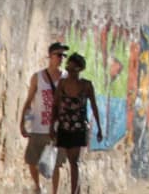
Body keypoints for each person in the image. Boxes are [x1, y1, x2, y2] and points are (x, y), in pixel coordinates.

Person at [20, 42, 68, 192]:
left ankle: (54, 191)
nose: (61, 58)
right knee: (31, 160)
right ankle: (37, 186)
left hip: (57, 129)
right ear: (50, 56)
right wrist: (22, 122)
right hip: (38, 126)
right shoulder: (38, 77)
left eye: (63, 56)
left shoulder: (66, 78)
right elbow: (28, 101)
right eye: (59, 55)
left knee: (55, 164)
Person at [50, 53, 101, 194]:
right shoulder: (62, 84)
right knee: (69, 161)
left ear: (80, 69)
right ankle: (76, 191)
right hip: (64, 127)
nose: (71, 72)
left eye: (73, 69)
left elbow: (94, 107)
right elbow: (55, 105)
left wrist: (99, 128)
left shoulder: (86, 85)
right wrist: (51, 126)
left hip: (79, 127)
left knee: (74, 162)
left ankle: (74, 191)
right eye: (69, 69)